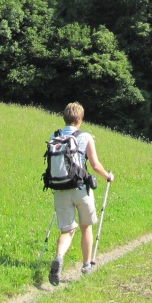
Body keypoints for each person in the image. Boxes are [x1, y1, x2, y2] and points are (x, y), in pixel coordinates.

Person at [49, 101, 114, 285]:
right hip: (80, 189)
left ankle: (59, 257)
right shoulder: (85, 136)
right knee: (86, 226)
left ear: (65, 117)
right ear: (81, 119)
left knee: (67, 230)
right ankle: (86, 265)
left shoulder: (54, 136)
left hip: (60, 188)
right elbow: (95, 164)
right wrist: (107, 176)